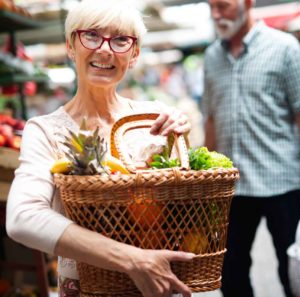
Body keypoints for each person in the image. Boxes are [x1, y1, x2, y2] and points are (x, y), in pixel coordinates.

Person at [6, 1, 194, 297]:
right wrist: (132, 260)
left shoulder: (154, 119)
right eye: (91, 35)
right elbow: (22, 218)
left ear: (134, 55)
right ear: (71, 46)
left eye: (121, 40)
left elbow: (182, 204)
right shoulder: (44, 130)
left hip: (157, 285)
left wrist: (183, 142)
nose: (105, 49)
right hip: (86, 289)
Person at [202, 0, 300, 296]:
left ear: (247, 3)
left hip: (280, 183)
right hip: (231, 188)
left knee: (294, 273)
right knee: (230, 274)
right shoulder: (211, 57)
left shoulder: (283, 47)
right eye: (210, 7)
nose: (215, 15)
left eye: (222, 6)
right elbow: (210, 119)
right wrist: (206, 183)